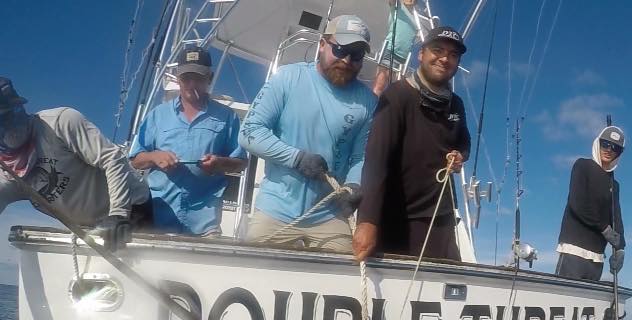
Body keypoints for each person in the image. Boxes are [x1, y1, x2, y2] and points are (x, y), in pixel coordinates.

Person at [239, 15, 377, 252]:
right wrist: (297, 158)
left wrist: (354, 185)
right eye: (340, 49)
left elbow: (360, 157)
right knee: (250, 272)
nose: (346, 60)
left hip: (329, 214)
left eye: (356, 55)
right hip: (275, 209)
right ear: (322, 44)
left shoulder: (368, 102)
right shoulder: (287, 77)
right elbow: (250, 132)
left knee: (346, 276)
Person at [354, 26, 470, 262]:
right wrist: (367, 221)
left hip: (440, 217)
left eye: (453, 55)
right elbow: (376, 160)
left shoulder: (456, 104)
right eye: (437, 50)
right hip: (398, 218)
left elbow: (464, 142)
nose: (445, 59)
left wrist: (460, 156)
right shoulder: (397, 95)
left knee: (447, 285)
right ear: (421, 54)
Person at [0, 77, 150, 251]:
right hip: (88, 228)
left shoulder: (60, 122)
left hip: (131, 209)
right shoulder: (5, 172)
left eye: (15, 112)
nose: (12, 122)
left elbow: (112, 158)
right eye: (3, 119)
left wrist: (118, 214)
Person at [129, 46, 246, 236]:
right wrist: (155, 156)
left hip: (205, 223)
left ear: (210, 77)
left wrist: (219, 163)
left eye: (199, 78)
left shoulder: (228, 117)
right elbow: (135, 160)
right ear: (177, 79)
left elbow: (241, 163)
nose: (192, 84)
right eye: (186, 78)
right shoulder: (157, 115)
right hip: (157, 219)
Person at [555, 126, 627, 281]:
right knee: (566, 298)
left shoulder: (614, 185)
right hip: (573, 250)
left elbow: (616, 217)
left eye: (615, 148)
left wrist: (621, 248)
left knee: (587, 303)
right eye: (605, 144)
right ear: (597, 143)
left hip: (597, 257)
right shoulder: (582, 166)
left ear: (619, 154)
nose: (609, 150)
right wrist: (604, 228)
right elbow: (578, 203)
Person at [373, 0, 420, 96]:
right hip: (391, 50)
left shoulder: (417, 19)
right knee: (379, 86)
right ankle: (372, 106)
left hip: (403, 58)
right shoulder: (398, 6)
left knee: (393, 90)